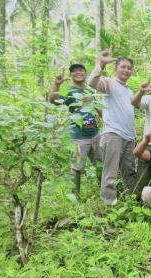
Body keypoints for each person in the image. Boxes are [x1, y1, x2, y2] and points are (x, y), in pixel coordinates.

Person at [88, 49, 137, 205]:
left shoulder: (129, 90)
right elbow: (92, 83)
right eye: (123, 67)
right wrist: (101, 63)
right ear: (116, 68)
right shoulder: (109, 83)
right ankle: (108, 205)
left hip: (129, 137)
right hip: (113, 135)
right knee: (110, 173)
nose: (126, 70)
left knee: (130, 172)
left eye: (129, 68)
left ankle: (131, 203)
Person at [48, 63, 102, 198]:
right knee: (76, 169)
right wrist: (57, 84)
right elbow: (53, 100)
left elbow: (98, 109)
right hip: (78, 138)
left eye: (80, 70)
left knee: (101, 165)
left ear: (85, 73)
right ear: (71, 75)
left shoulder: (90, 90)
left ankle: (103, 194)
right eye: (74, 71)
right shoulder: (69, 91)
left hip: (96, 135)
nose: (78, 73)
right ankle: (75, 200)